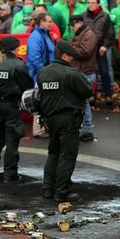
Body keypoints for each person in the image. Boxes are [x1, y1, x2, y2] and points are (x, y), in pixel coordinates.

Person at [38, 40, 92, 202]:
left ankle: (48, 188)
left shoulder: (43, 72)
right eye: (71, 56)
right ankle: (61, 191)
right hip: (68, 119)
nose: (72, 59)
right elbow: (87, 91)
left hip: (50, 119)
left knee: (53, 153)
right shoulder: (72, 73)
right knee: (67, 156)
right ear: (65, 55)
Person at [0, 36, 34, 182]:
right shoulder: (17, 65)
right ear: (14, 48)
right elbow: (28, 87)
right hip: (11, 106)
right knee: (12, 139)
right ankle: (10, 174)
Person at [69, 14, 98, 141]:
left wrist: (71, 48)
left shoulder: (88, 34)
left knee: (83, 102)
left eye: (73, 24)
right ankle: (83, 128)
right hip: (81, 72)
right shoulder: (80, 34)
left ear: (79, 23)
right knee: (80, 102)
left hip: (86, 73)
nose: (72, 27)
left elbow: (84, 52)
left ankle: (86, 129)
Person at [84, 0, 115, 103]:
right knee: (90, 73)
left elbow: (110, 33)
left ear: (98, 4)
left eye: (93, 3)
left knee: (104, 71)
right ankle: (91, 95)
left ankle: (108, 95)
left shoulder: (105, 16)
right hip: (88, 50)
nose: (90, 5)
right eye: (89, 3)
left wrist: (105, 45)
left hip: (100, 49)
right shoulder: (84, 16)